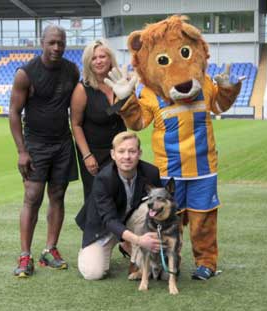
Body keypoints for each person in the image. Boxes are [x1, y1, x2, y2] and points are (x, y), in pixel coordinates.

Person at [9, 25, 80, 278]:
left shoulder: (72, 70)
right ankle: (25, 255)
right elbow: (14, 113)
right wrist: (22, 151)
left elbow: (76, 106)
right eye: (52, 42)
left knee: (58, 195)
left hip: (62, 142)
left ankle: (50, 249)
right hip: (36, 144)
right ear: (42, 42)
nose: (56, 48)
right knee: (32, 197)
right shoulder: (25, 74)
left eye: (61, 43)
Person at [75, 131, 162, 280]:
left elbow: (161, 206)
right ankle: (125, 243)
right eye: (121, 151)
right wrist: (139, 240)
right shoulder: (103, 178)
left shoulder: (151, 172)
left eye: (132, 151)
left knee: (149, 209)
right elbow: (109, 220)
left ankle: (135, 259)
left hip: (130, 220)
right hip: (103, 227)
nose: (127, 157)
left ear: (139, 153)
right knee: (93, 273)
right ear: (113, 154)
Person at [70, 39, 126, 202]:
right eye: (93, 58)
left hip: (120, 151)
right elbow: (76, 124)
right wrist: (87, 156)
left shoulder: (121, 84)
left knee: (120, 197)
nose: (98, 61)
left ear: (110, 59)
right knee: (97, 200)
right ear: (88, 63)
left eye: (102, 56)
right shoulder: (83, 89)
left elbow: (128, 116)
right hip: (95, 153)